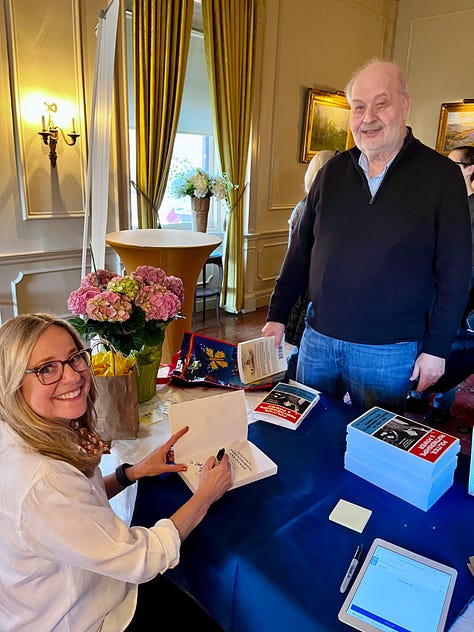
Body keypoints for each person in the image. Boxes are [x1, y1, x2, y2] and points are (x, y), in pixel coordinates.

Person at [262, 59, 472, 414]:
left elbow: (456, 272)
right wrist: (276, 315)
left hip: (389, 351)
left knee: (372, 449)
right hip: (318, 339)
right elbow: (299, 252)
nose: (367, 117)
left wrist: (436, 349)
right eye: (358, 107)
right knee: (303, 434)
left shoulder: (442, 177)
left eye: (381, 103)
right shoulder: (332, 173)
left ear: (404, 104)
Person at [0, 313, 232, 631]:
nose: (72, 377)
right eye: (46, 368)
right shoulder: (44, 481)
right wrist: (206, 494)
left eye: (74, 358)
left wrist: (130, 473)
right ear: (12, 381)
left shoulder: (19, 431)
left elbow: (77, 508)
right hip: (86, 618)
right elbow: (141, 560)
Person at [407, 145, 474, 425]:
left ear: (471, 169)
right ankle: (422, 394)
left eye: (454, 164)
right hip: (431, 288)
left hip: (462, 290)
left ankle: (443, 405)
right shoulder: (445, 200)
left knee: (449, 346)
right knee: (426, 340)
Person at [285, 149, 339, 379]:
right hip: (307, 288)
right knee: (299, 352)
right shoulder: (307, 207)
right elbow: (297, 257)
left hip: (315, 289)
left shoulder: (325, 205)